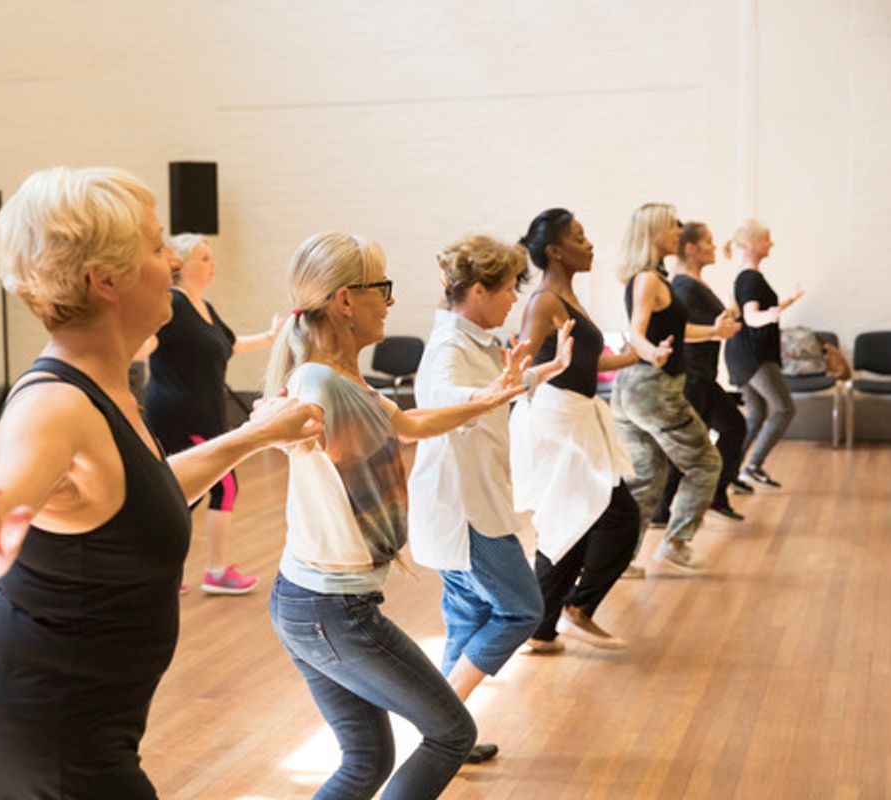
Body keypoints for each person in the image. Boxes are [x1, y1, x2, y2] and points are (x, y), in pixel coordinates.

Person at [0, 166, 322, 799]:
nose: (173, 262)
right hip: (41, 739)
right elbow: (1, 495)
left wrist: (254, 436)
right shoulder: (53, 406)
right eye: (158, 245)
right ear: (102, 279)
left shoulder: (109, 385)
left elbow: (140, 493)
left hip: (70, 727)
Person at [263, 231, 528, 799]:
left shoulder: (352, 383)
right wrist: (273, 426)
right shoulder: (317, 381)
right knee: (452, 732)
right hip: (330, 608)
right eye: (380, 289)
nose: (389, 301)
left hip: (312, 603)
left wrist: (493, 394)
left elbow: (412, 424)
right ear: (343, 302)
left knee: (366, 760)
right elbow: (293, 418)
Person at [408, 234, 572, 762]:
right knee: (523, 610)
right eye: (506, 290)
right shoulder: (448, 346)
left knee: (468, 618)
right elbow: (441, 401)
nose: (512, 302)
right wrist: (498, 390)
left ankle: (445, 731)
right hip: (464, 509)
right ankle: (444, 721)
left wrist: (546, 370)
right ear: (477, 290)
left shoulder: (472, 339)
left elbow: (495, 386)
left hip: (473, 499)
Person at [507, 208, 640, 652]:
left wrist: (633, 358)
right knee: (615, 516)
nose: (590, 244)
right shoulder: (545, 301)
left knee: (577, 518)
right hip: (558, 420)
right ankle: (576, 608)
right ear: (555, 251)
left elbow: (584, 360)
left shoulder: (570, 300)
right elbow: (522, 364)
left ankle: (541, 629)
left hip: (577, 417)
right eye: (579, 238)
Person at [142, 233, 284, 595]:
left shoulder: (201, 306)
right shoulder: (173, 304)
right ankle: (215, 571)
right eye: (204, 257)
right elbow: (145, 343)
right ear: (182, 265)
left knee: (183, 495)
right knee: (224, 483)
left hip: (204, 410)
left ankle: (155, 570)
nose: (212, 264)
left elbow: (230, 345)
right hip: (178, 412)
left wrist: (270, 336)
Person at [611, 203, 738, 574]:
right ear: (653, 233)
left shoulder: (651, 278)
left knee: (648, 476)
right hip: (652, 388)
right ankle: (676, 541)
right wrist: (652, 352)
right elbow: (637, 330)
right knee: (706, 462)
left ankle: (617, 562)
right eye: (672, 226)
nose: (679, 232)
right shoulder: (648, 279)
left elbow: (671, 331)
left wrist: (715, 331)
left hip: (635, 389)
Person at [651, 222, 748, 525]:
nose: (714, 246)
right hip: (691, 376)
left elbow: (707, 322)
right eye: (708, 241)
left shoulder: (694, 284)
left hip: (703, 375)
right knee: (692, 445)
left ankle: (714, 496)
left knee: (732, 427)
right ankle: (662, 510)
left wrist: (727, 318)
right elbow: (678, 331)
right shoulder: (682, 286)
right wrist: (715, 331)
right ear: (691, 249)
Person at [723, 219, 804, 487]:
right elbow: (751, 317)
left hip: (744, 354)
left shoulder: (748, 277)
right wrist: (769, 316)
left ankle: (730, 473)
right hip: (753, 357)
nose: (771, 244)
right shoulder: (750, 277)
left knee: (757, 413)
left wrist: (789, 301)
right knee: (783, 409)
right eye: (766, 239)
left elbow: (757, 312)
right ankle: (752, 466)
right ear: (750, 244)